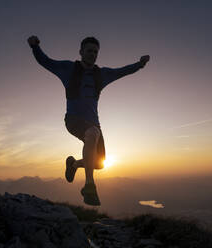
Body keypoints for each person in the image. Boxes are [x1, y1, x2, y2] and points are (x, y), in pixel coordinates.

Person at [27, 35, 150, 206]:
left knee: (99, 163)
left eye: (95, 52)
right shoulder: (68, 69)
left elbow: (122, 71)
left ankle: (74, 165)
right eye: (89, 51)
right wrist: (35, 46)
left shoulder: (101, 74)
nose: (93, 54)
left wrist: (140, 64)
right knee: (92, 133)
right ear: (81, 52)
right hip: (73, 120)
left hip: (94, 124)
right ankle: (89, 187)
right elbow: (46, 61)